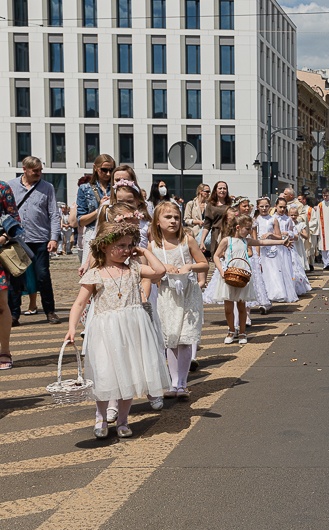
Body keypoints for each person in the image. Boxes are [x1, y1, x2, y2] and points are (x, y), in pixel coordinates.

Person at [65, 221, 169, 439]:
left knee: (129, 374)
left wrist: (143, 251)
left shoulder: (134, 268)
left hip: (133, 329)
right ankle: (101, 416)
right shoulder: (95, 274)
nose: (125, 250)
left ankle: (123, 419)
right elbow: (79, 303)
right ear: (104, 246)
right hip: (106, 331)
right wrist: (72, 327)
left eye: (129, 245)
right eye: (120, 245)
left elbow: (160, 271)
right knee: (105, 374)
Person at [148, 201, 207, 400]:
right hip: (167, 297)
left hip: (188, 294)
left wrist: (190, 267)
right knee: (171, 340)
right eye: (168, 217)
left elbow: (203, 263)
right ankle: (173, 382)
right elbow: (151, 275)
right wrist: (163, 268)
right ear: (157, 221)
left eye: (176, 217)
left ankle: (182, 382)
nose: (173, 221)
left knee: (184, 339)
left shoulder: (187, 240)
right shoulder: (153, 246)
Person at [211, 215, 290, 345]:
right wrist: (221, 270)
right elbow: (216, 256)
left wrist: (281, 242)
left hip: (243, 275)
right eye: (247, 229)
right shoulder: (227, 240)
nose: (249, 231)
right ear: (238, 227)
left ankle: (242, 332)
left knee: (242, 306)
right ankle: (231, 330)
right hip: (229, 274)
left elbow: (262, 242)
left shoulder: (246, 241)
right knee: (228, 308)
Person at [7, 157, 62, 325]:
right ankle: (14, 314)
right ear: (25, 169)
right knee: (16, 278)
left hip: (40, 239)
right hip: (17, 239)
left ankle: (50, 311)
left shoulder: (48, 188)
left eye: (40, 170)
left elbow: (54, 214)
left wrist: (54, 238)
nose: (39, 174)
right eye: (35, 171)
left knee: (43, 276)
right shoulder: (11, 186)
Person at [254, 198, 297, 304]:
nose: (264, 208)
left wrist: (271, 234)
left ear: (270, 207)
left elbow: (279, 237)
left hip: (271, 249)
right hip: (258, 248)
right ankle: (261, 295)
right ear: (257, 207)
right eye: (262, 206)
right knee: (260, 271)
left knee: (272, 272)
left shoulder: (273, 219)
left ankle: (273, 293)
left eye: (266, 206)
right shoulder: (255, 220)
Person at [0, 182, 21, 369]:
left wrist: (4, 237)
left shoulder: (2, 188)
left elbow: (15, 218)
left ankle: (4, 351)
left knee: (1, 304)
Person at [199, 181, 231, 256]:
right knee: (218, 257)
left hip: (230, 233)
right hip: (216, 234)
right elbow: (207, 224)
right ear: (215, 190)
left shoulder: (231, 204)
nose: (222, 190)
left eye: (224, 188)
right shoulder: (211, 205)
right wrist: (202, 241)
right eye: (220, 188)